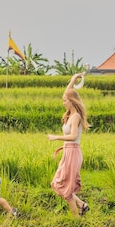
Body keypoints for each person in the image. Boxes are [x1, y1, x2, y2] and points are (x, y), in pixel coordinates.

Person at [47, 72, 91, 217]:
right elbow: (68, 92)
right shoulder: (70, 114)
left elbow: (72, 136)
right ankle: (82, 205)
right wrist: (73, 79)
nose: (63, 102)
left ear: (71, 101)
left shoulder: (76, 116)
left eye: (65, 100)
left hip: (73, 152)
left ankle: (75, 219)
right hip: (68, 152)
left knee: (66, 189)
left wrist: (56, 137)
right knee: (57, 183)